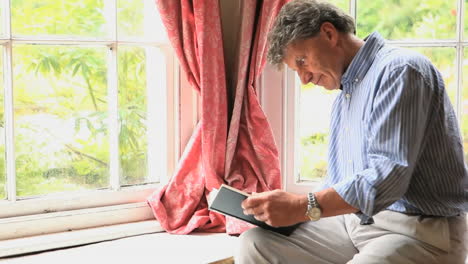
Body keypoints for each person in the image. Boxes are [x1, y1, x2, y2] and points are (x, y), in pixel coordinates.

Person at [235, 0, 468, 263]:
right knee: (256, 243)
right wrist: (288, 212)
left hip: (419, 231)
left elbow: (385, 180)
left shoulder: (400, 71)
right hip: (355, 225)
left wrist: (301, 206)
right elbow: (340, 182)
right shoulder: (344, 98)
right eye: (296, 70)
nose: (304, 78)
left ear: (329, 33)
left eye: (302, 61)